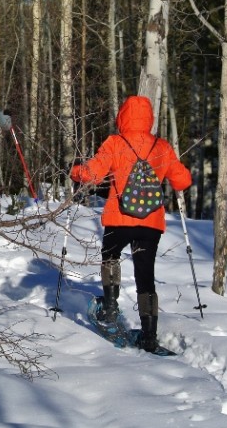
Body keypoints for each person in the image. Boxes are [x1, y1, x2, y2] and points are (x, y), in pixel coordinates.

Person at [70, 95, 192, 352]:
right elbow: (183, 181)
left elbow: (92, 174)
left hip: (119, 217)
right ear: (149, 118)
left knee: (110, 257)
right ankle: (149, 335)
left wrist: (76, 171)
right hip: (151, 222)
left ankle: (111, 311)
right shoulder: (162, 147)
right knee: (145, 275)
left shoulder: (116, 142)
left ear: (123, 116)